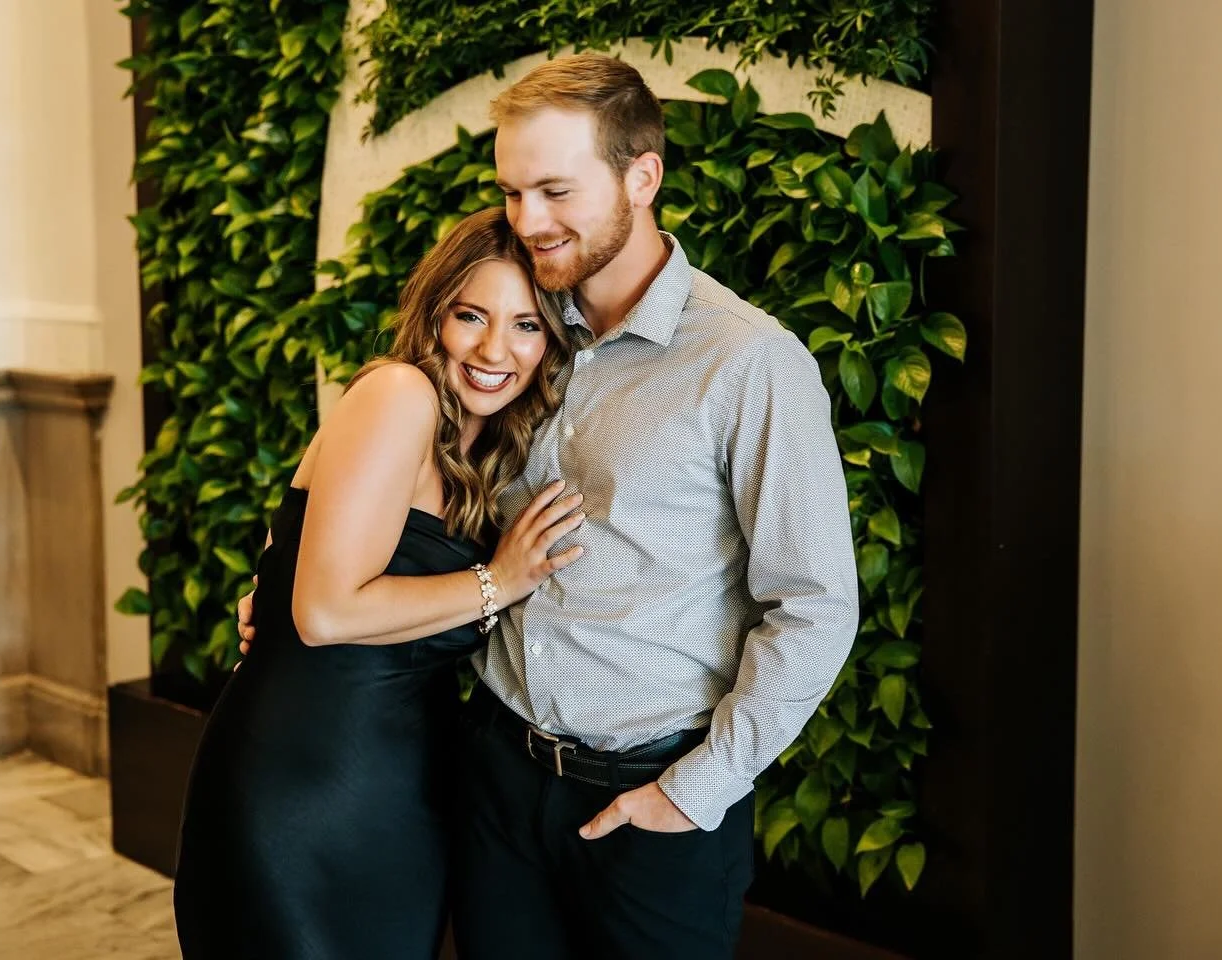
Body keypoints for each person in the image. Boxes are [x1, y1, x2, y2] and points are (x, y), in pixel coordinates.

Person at [240, 53, 859, 960]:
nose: (528, 220)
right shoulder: (522, 334)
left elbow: (815, 605)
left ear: (642, 176)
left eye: (556, 191)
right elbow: (401, 480)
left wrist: (696, 790)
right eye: (513, 191)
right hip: (493, 772)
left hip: (650, 799)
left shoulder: (748, 363)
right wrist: (282, 568)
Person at [173, 207, 581, 959]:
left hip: (397, 791)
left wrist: (270, 581)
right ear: (434, 315)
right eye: (471, 315)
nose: (497, 349)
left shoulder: (484, 447)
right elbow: (325, 611)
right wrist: (498, 580)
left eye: (528, 326)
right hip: (300, 785)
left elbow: (290, 539)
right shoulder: (400, 394)